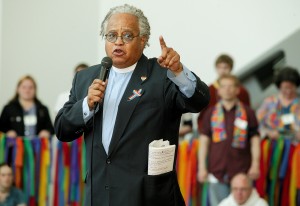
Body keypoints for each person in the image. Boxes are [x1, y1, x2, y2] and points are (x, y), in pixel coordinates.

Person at [54, 4, 209, 206]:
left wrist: (179, 72)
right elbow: (62, 130)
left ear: (143, 40)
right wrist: (87, 105)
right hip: (100, 194)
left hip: (148, 196)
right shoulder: (86, 78)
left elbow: (200, 101)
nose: (118, 42)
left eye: (127, 36)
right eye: (111, 36)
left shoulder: (162, 73)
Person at [197, 74, 260, 206]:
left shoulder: (248, 112)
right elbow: (204, 142)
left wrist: (255, 164)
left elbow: (255, 140)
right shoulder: (210, 113)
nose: (227, 89)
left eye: (231, 86)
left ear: (238, 90)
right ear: (219, 90)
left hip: (241, 172)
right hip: (217, 171)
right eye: (224, 86)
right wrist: (202, 167)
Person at [197, 54, 250, 130]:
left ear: (231, 68)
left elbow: (247, 114)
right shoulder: (208, 90)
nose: (222, 71)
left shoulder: (241, 91)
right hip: (214, 132)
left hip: (237, 132)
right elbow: (202, 117)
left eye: (225, 67)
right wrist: (206, 133)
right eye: (219, 67)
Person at [256, 66, 300, 141]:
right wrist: (268, 132)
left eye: (292, 87)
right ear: (279, 86)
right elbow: (257, 123)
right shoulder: (269, 102)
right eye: (285, 88)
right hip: (275, 146)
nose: (288, 91)